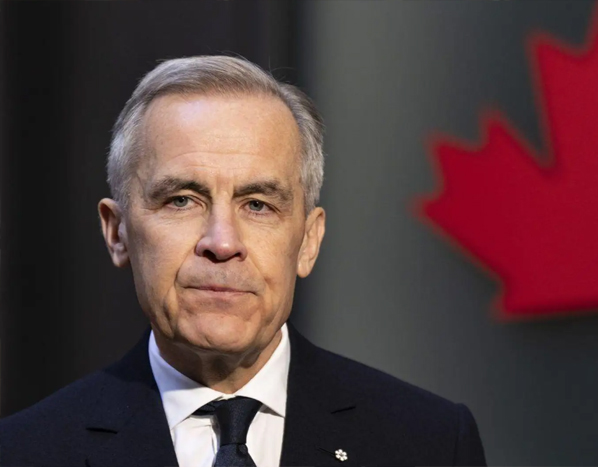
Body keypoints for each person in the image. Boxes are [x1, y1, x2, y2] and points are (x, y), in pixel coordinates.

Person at [0, 56, 486, 467]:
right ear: (117, 232)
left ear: (308, 241)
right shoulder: (24, 451)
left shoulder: (431, 442)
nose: (222, 242)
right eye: (182, 200)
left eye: (258, 205)